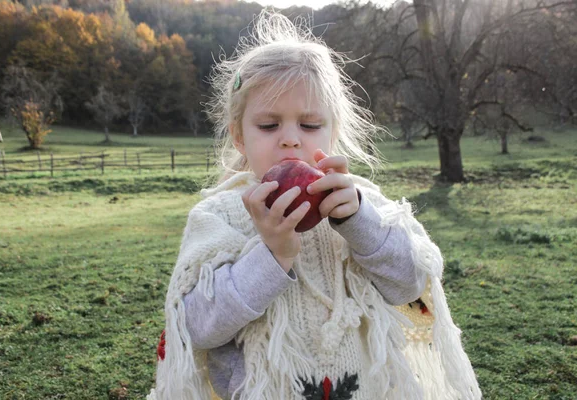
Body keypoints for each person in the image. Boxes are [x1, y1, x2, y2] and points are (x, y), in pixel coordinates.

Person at [148, 10, 481, 400]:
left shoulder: (359, 204)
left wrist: (360, 223)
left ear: (333, 131)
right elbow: (200, 326)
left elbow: (408, 285)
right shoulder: (220, 216)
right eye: (269, 126)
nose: (290, 139)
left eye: (309, 125)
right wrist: (272, 255)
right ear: (239, 137)